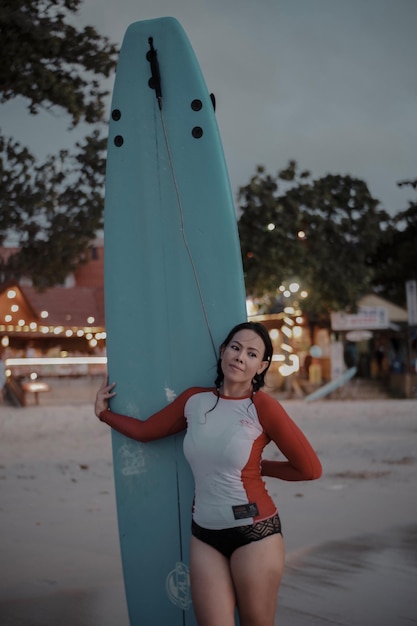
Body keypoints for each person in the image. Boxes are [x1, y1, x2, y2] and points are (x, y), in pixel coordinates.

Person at [95, 321, 322, 626]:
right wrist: (104, 414)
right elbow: (147, 431)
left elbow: (309, 469)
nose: (241, 357)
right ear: (223, 351)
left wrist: (259, 468)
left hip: (255, 533)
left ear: (261, 366)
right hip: (204, 535)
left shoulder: (263, 407)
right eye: (236, 347)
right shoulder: (194, 401)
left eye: (252, 354)